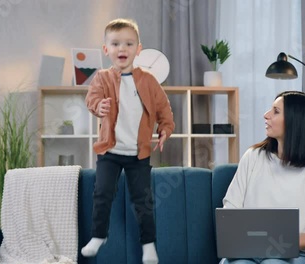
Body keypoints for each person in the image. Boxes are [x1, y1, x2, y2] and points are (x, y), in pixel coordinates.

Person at [82, 18, 175, 264]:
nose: (122, 49)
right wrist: (97, 106)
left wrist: (165, 129)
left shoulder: (149, 81)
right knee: (102, 193)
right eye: (115, 44)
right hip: (109, 151)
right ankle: (98, 236)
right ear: (106, 50)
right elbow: (91, 99)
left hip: (138, 154)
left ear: (138, 49)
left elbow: (165, 110)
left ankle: (148, 244)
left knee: (143, 200)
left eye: (128, 44)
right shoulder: (101, 78)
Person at [220, 91, 305, 264]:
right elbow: (230, 209)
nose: (266, 115)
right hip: (245, 252)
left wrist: (279, 243)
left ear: (295, 121)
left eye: (275, 111)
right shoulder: (253, 156)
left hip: (291, 255)